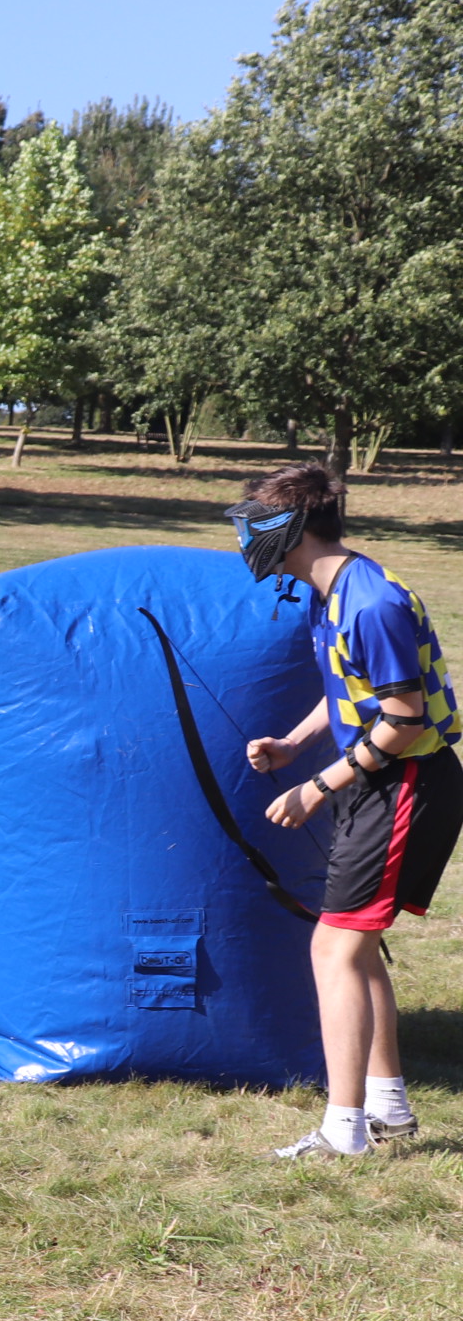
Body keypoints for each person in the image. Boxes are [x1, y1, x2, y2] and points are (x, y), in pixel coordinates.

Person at [242, 461, 462, 1158]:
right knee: (355, 950)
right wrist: (294, 744)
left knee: (333, 948)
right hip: (384, 783)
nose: (247, 535)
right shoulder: (330, 591)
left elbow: (400, 720)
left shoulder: (371, 603)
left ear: (297, 528)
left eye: (259, 522)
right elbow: (351, 689)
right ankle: (388, 1108)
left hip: (406, 785)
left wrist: (317, 786)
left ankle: (345, 1129)